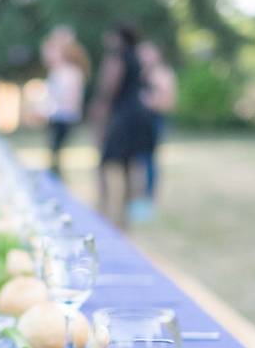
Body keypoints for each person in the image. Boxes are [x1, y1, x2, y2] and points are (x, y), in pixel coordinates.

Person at [88, 23, 155, 228]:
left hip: (123, 116)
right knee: (129, 167)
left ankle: (103, 209)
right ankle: (125, 217)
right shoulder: (136, 57)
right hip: (138, 115)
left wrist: (99, 107)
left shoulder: (117, 58)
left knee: (104, 164)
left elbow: (110, 87)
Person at [136, 41, 177, 219]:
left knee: (149, 160)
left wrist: (148, 101)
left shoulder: (163, 75)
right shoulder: (139, 74)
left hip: (153, 120)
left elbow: (168, 102)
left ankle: (148, 200)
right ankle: (137, 198)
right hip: (137, 122)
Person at [41, 29, 90, 177]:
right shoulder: (61, 71)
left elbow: (67, 99)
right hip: (60, 116)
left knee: (55, 154)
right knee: (54, 154)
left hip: (63, 116)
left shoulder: (69, 72)